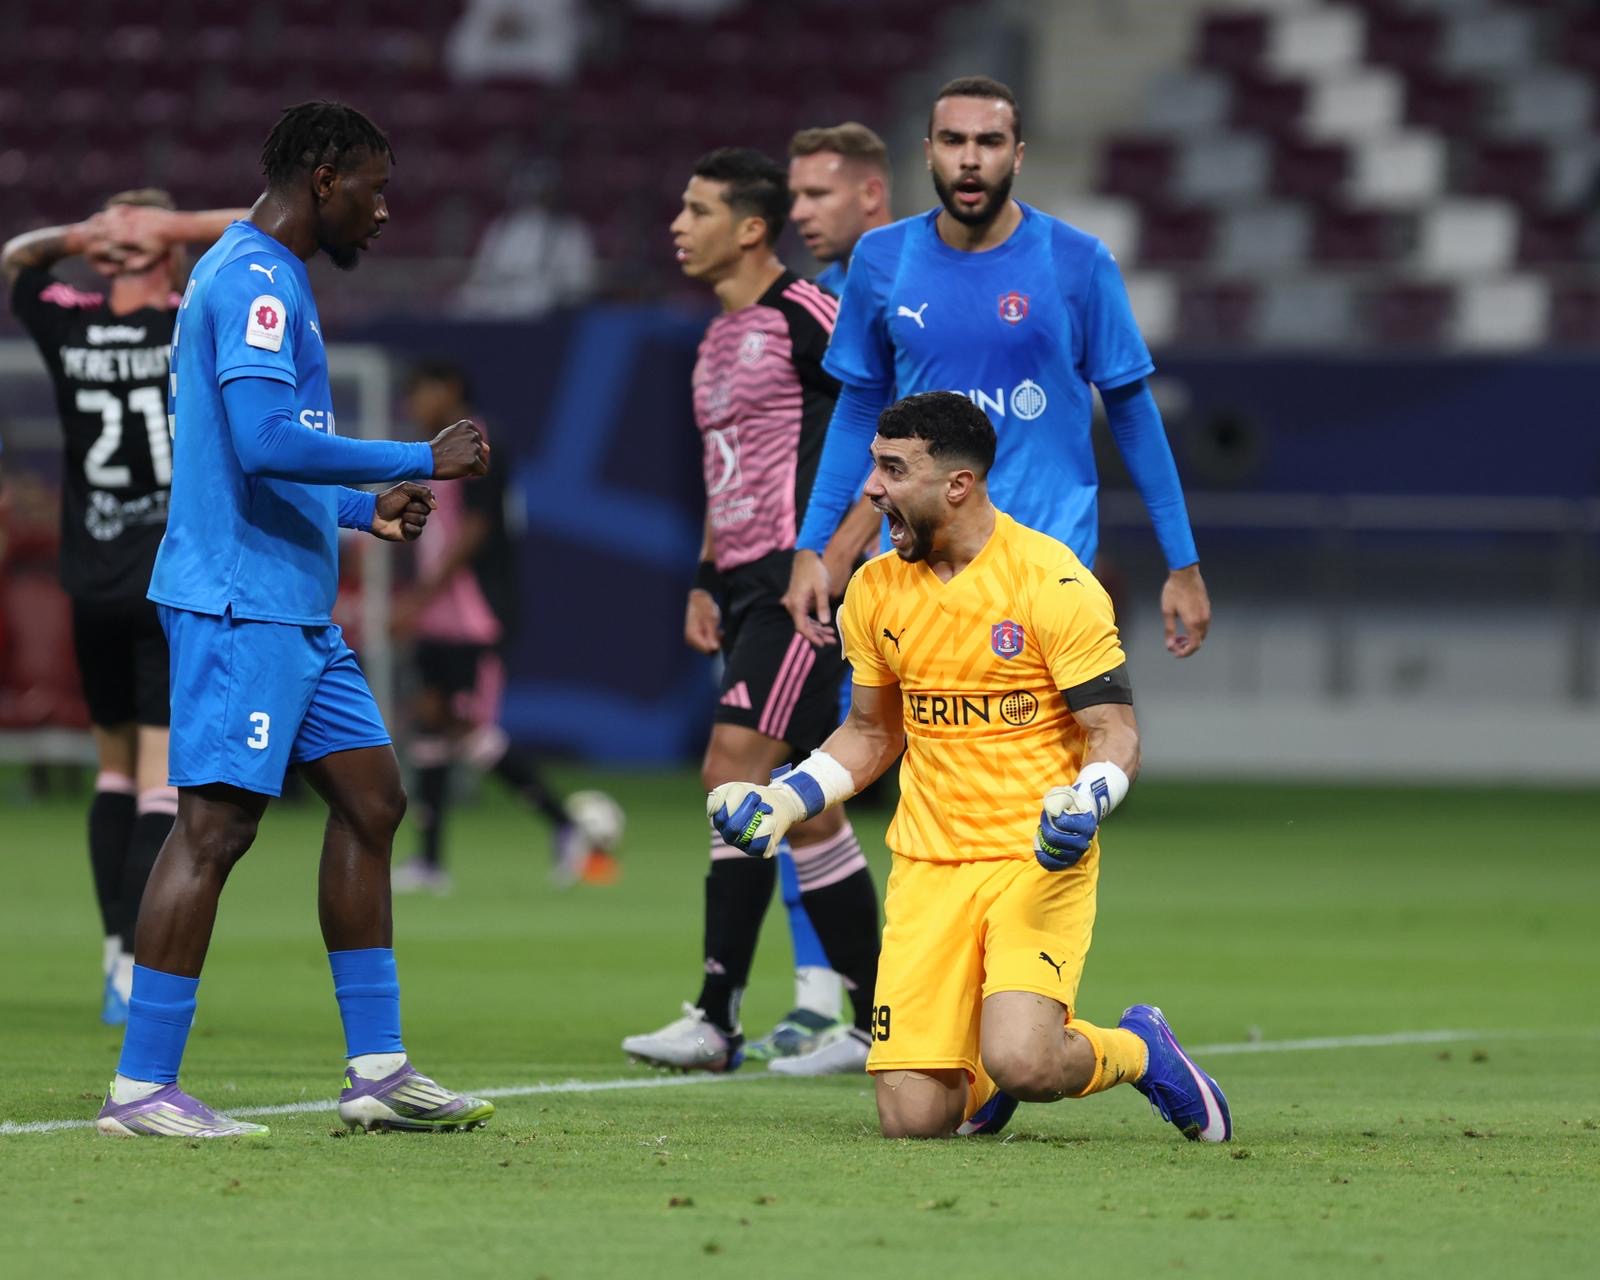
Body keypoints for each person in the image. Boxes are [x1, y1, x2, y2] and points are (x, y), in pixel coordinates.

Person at [94, 101, 495, 1139]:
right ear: (324, 177)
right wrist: (419, 458)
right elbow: (265, 441)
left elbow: (262, 454)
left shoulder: (269, 275)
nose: (383, 210)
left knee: (373, 801)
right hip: (241, 604)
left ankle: (377, 1068)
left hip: (294, 609)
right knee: (215, 826)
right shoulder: (255, 281)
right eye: (374, 187)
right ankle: (141, 1087)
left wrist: (362, 509)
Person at [709, 391, 1232, 1142]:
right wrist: (785, 800)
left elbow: (1114, 733)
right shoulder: (875, 589)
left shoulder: (1052, 582)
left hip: (1035, 857)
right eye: (875, 466)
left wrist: (1088, 798)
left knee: (1027, 1062)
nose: (871, 488)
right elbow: (871, 733)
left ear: (958, 484)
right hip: (928, 863)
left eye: (894, 469)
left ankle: (1139, 1050)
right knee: (912, 1120)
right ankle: (983, 1081)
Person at [783, 76, 1212, 668]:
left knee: (1056, 732)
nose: (969, 158)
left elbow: (1133, 414)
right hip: (919, 568)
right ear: (928, 151)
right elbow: (858, 408)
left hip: (1048, 566)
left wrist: (1183, 564)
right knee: (909, 731)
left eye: (988, 141)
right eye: (953, 140)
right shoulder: (881, 260)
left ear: (1017, 155)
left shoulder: (1077, 260)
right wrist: (811, 545)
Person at [620, 148, 880, 1077]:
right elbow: (724, 469)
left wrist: (836, 558)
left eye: (698, 210)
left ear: (751, 228)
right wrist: (704, 576)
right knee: (806, 814)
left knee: (731, 770)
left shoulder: (808, 312)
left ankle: (716, 1018)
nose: (678, 226)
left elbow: (891, 425)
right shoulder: (716, 339)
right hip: (741, 585)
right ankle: (881, 1020)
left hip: (793, 583)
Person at [3, 190, 246, 1024]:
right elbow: (265, 224)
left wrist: (79, 236)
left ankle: (114, 952)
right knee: (157, 780)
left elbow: (15, 261)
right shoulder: (190, 319)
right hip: (170, 582)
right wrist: (170, 229)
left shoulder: (67, 322)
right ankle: (139, 968)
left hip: (89, 582)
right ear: (170, 255)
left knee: (110, 769)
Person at [743, 122, 896, 1064]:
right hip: (839, 575)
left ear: (871, 193)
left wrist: (828, 554)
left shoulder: (888, 290)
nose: (796, 213)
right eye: (793, 196)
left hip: (910, 575)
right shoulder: (824, 295)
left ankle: (892, 1008)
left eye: (815, 195)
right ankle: (829, 998)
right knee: (810, 773)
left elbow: (901, 446)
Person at [389, 358, 619, 894]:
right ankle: (429, 862)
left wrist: (418, 596)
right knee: (430, 720)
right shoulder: (430, 453)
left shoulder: (477, 443)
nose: (413, 404)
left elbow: (476, 528)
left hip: (476, 613)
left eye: (420, 391)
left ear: (450, 388)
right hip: (439, 617)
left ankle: (567, 827)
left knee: (468, 728)